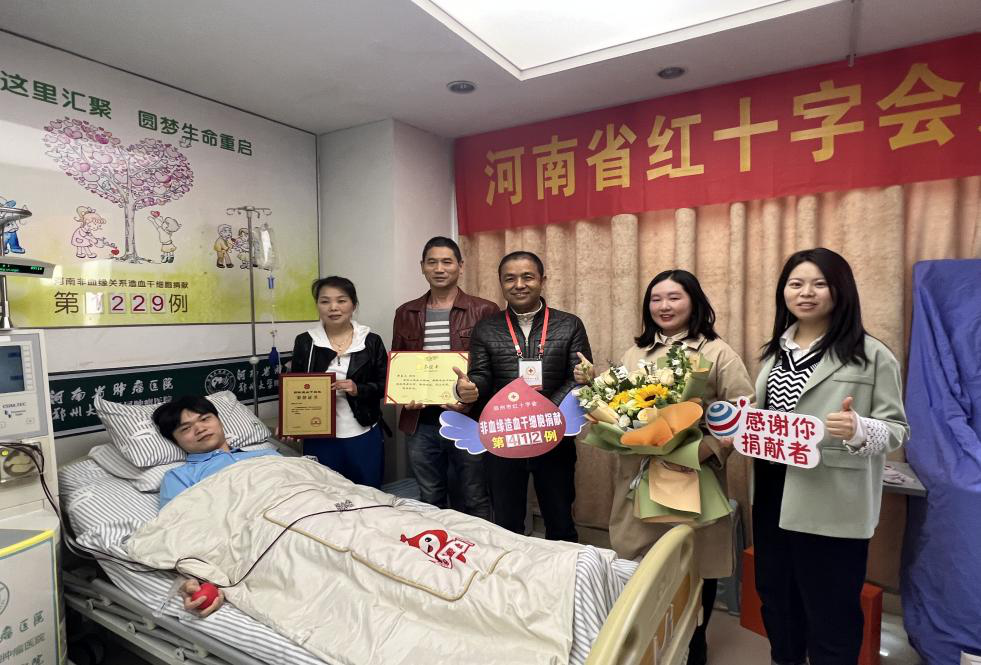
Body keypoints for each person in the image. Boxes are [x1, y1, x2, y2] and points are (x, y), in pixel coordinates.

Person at [751, 248, 908, 665]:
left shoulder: (872, 354)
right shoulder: (774, 351)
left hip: (832, 499)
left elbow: (897, 429)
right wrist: (741, 421)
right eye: (796, 284)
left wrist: (859, 429)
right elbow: (769, 415)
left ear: (840, 290)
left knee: (831, 610)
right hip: (772, 492)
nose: (806, 293)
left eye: (819, 284)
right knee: (777, 599)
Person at [599, 269, 753, 665]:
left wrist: (709, 449)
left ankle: (695, 640)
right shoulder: (635, 354)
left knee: (693, 562)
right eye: (656, 299)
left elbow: (743, 412)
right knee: (639, 561)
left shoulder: (717, 352)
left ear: (694, 301)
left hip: (692, 477)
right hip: (640, 474)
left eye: (674, 297)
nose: (664, 306)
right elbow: (618, 408)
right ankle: (646, 641)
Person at [456, 251, 591, 542]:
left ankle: (564, 569)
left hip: (554, 436)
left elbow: (577, 377)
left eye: (527, 277)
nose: (519, 284)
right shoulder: (486, 328)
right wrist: (469, 389)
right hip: (504, 437)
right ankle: (511, 570)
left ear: (542, 280)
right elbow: (481, 375)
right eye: (510, 279)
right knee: (507, 522)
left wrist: (544, 412)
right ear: (501, 284)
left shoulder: (569, 324)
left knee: (560, 518)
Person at [392, 236, 498, 518]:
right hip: (420, 421)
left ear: (460, 266)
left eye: (447, 262)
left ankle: (478, 544)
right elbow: (399, 364)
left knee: (475, 495)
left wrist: (472, 394)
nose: (439, 268)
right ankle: (438, 544)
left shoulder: (484, 310)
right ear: (422, 267)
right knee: (430, 496)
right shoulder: (405, 313)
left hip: (468, 417)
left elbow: (494, 367)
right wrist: (403, 395)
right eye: (432, 262)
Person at [152, 395, 281, 616]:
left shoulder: (269, 454)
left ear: (219, 421)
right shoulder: (181, 476)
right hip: (263, 534)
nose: (200, 429)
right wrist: (197, 577)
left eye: (205, 419)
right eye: (185, 428)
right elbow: (179, 528)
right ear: (175, 440)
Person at [290, 276, 388, 488]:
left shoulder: (370, 341)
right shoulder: (306, 342)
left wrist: (358, 388)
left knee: (368, 493)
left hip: (362, 430)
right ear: (317, 305)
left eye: (341, 300)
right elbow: (293, 387)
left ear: (353, 305)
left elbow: (386, 385)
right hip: (318, 434)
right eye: (325, 301)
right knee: (325, 494)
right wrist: (292, 420)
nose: (333, 307)